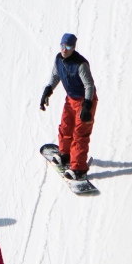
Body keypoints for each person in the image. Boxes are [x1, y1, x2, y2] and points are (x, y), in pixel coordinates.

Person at [39, 33, 97, 180]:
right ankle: (65, 154)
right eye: (63, 46)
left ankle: (79, 168)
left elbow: (89, 85)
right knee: (65, 126)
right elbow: (55, 76)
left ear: (73, 47)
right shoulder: (59, 59)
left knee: (80, 134)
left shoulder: (81, 64)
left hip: (84, 101)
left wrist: (87, 106)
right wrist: (48, 90)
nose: (65, 50)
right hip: (71, 99)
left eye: (69, 47)